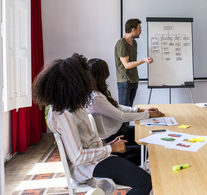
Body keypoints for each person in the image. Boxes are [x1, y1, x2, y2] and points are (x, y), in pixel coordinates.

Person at [33, 54, 152, 195]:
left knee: (145, 171)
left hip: (98, 159)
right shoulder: (65, 114)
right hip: (88, 167)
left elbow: (87, 141)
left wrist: (107, 146)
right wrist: (109, 148)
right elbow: (77, 157)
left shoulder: (71, 106)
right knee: (145, 182)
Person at [86, 58, 164, 147]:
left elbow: (117, 107)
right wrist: (148, 114)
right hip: (116, 138)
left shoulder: (96, 91)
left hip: (121, 130)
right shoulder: (96, 98)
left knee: (150, 133)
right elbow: (122, 116)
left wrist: (140, 110)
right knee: (152, 142)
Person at [115, 19, 153, 106]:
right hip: (125, 81)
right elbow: (126, 65)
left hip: (134, 80)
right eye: (139, 28)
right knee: (124, 111)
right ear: (133, 29)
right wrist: (143, 60)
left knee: (130, 109)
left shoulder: (134, 42)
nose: (141, 31)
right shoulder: (122, 44)